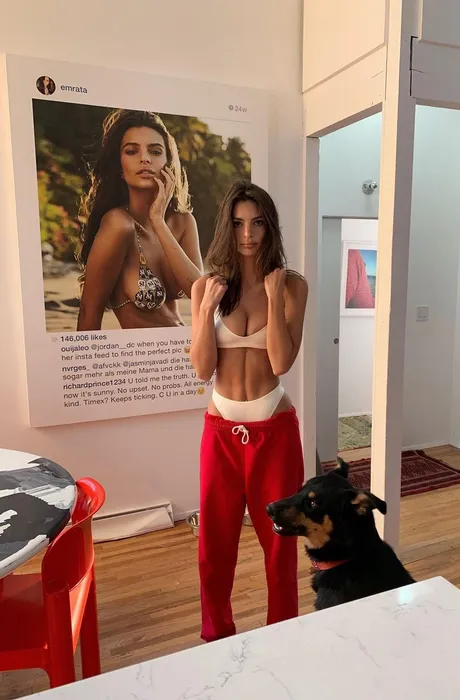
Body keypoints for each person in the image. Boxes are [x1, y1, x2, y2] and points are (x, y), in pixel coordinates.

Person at [190, 179, 308, 643]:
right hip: (221, 430)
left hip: (273, 427)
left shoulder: (292, 286)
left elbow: (280, 362)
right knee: (213, 547)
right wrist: (205, 313)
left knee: (279, 546)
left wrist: (275, 300)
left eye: (257, 223)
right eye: (238, 223)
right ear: (227, 226)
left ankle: (281, 638)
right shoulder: (206, 286)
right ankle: (215, 636)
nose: (247, 234)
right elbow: (203, 369)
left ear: (269, 226)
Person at [76, 109, 203, 330]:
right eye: (132, 151)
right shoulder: (118, 224)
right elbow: (89, 310)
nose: (145, 158)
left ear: (167, 164)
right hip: (144, 351)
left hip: (192, 347)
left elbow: (200, 295)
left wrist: (158, 221)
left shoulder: (183, 222)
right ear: (119, 167)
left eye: (155, 151)